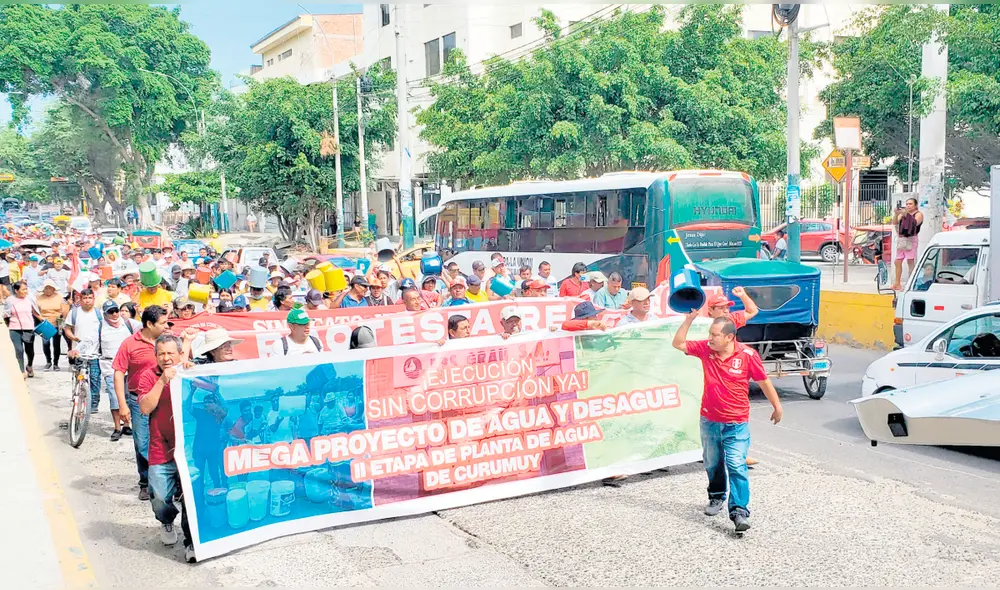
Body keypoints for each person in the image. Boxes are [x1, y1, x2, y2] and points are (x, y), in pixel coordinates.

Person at [672, 313, 782, 534]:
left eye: (715, 335)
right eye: (710, 334)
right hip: (709, 420)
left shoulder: (748, 356)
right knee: (712, 463)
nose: (710, 339)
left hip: (736, 422)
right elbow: (678, 343)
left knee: (736, 464)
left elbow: (764, 381)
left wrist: (777, 407)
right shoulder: (705, 349)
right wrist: (689, 319)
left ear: (730, 337)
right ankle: (716, 497)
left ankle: (739, 510)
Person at [137, 333, 196, 563]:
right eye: (161, 353)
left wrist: (189, 372)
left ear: (179, 354)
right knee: (160, 498)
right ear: (156, 356)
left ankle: (191, 542)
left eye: (171, 353)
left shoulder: (189, 371)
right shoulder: (147, 376)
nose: (166, 358)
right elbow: (144, 408)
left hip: (187, 449)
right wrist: (162, 381)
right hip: (160, 450)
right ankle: (167, 520)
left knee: (191, 498)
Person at [113, 305, 172, 500]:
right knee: (143, 441)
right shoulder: (129, 344)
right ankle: (146, 482)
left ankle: (169, 479)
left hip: (167, 400)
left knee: (167, 438)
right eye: (162, 323)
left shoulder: (169, 344)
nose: (166, 326)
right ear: (149, 324)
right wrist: (122, 404)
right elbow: (119, 372)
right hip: (140, 401)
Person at [98, 299, 139, 441]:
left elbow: (144, 331)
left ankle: (127, 425)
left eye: (116, 310)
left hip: (130, 366)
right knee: (114, 397)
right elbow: (90, 342)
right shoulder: (100, 327)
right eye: (111, 312)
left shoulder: (129, 324)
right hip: (110, 366)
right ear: (105, 314)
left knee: (128, 397)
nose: (115, 314)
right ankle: (117, 427)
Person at [64, 288, 105, 414]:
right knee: (79, 377)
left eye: (90, 298)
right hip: (78, 352)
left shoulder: (100, 313)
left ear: (93, 299)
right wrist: (74, 338)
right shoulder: (74, 313)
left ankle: (93, 404)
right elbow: (67, 329)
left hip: (95, 353)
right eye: (84, 298)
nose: (87, 301)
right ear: (80, 300)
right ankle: (78, 397)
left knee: (95, 379)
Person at [3, 281, 41, 378]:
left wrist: (42, 320)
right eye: (23, 289)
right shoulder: (10, 300)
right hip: (15, 328)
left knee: (30, 351)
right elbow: (6, 314)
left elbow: (35, 312)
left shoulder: (30, 298)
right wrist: (9, 324)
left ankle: (29, 365)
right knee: (19, 350)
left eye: (26, 289)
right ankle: (21, 370)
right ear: (16, 290)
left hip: (28, 328)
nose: (25, 291)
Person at [36, 279, 68, 370]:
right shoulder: (39, 298)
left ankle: (56, 363)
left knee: (56, 343)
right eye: (46, 288)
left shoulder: (59, 297)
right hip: (45, 322)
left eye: (50, 288)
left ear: (53, 289)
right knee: (45, 343)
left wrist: (62, 318)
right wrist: (40, 318)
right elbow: (35, 310)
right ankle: (48, 361)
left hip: (57, 321)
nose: (48, 290)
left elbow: (64, 309)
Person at [892, 198, 923, 290]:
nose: (908, 205)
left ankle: (911, 282)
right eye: (907, 204)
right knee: (897, 261)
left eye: (910, 204)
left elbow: (915, 223)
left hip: (911, 239)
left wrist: (906, 214)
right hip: (902, 239)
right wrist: (897, 214)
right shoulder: (903, 214)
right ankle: (897, 283)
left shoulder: (918, 214)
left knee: (910, 261)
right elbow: (895, 222)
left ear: (915, 205)